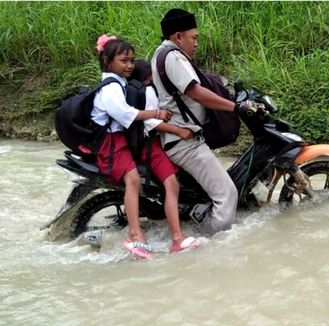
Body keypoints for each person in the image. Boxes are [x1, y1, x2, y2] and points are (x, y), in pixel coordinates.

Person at [92, 34, 198, 257]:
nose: (129, 65)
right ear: (107, 61)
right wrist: (158, 113)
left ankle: (146, 234)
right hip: (112, 143)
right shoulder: (110, 87)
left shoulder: (121, 85)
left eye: (132, 60)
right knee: (133, 180)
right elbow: (125, 115)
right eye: (124, 60)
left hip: (120, 141)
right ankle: (138, 235)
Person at [151, 9, 252, 235]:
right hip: (185, 143)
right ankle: (213, 248)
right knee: (227, 194)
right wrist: (236, 107)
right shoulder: (173, 57)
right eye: (194, 37)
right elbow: (196, 92)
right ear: (178, 36)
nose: (196, 43)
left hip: (183, 139)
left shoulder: (163, 53)